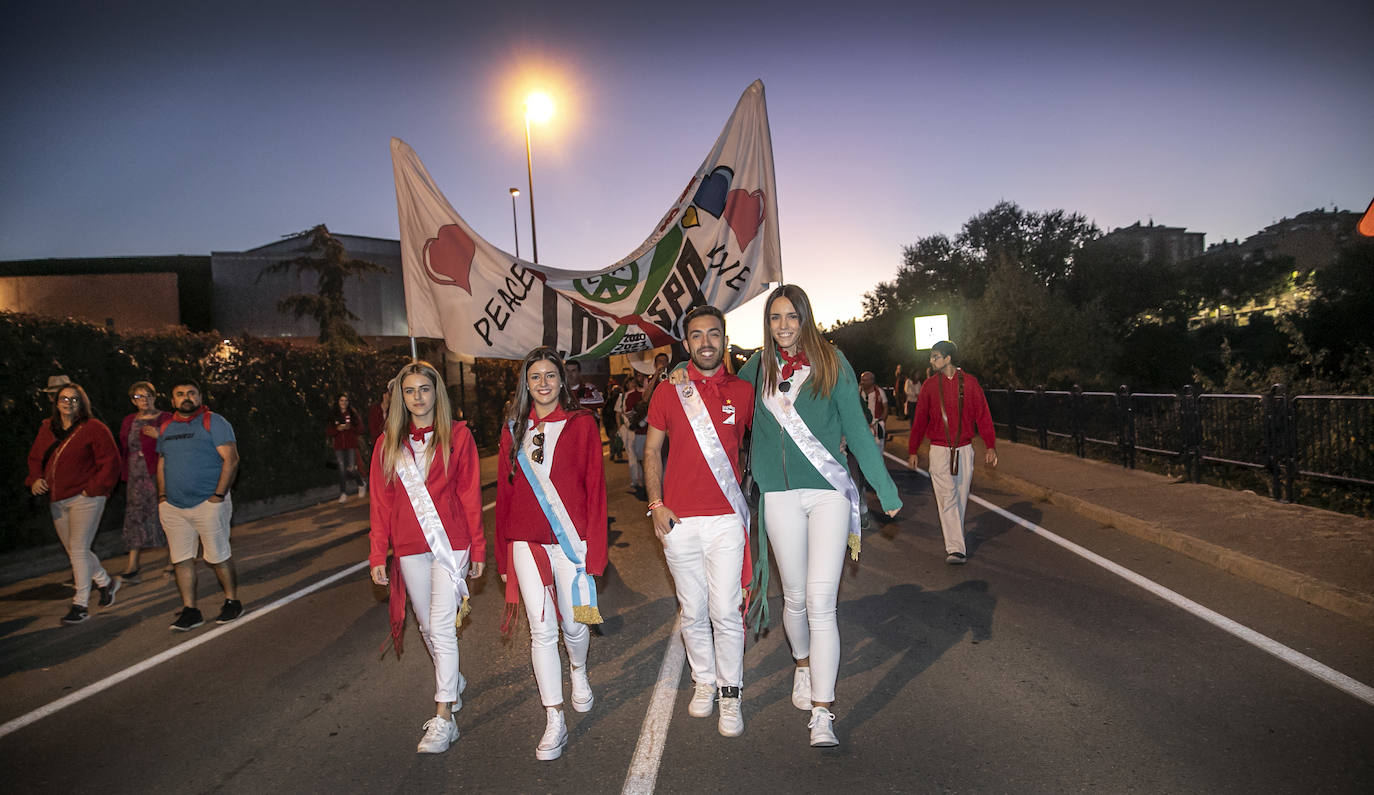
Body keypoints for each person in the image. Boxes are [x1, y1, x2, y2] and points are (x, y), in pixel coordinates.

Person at [735, 285, 901, 748]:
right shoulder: (757, 366)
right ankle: (803, 666)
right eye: (775, 318)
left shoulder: (832, 363)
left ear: (806, 318)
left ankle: (824, 711)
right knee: (795, 599)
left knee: (822, 600)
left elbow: (857, 429)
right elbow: (722, 403)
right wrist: (684, 377)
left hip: (828, 493)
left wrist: (882, 487)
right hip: (780, 497)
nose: (783, 326)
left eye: (791, 316)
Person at [644, 306, 753, 738]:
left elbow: (754, 448)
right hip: (679, 521)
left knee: (725, 609)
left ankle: (730, 691)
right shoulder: (669, 391)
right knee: (692, 611)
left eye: (713, 334)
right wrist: (656, 504)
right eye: (696, 336)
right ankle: (704, 681)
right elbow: (651, 451)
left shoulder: (744, 392)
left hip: (726, 518)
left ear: (724, 340)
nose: (705, 342)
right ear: (686, 343)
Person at [495, 347, 608, 761]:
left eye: (550, 376)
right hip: (525, 541)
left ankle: (579, 669)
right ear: (526, 383)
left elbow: (595, 490)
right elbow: (505, 494)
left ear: (563, 380)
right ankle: (554, 717)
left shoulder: (582, 424)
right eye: (535, 377)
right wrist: (501, 555)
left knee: (577, 624)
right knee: (541, 630)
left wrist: (596, 553)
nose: (542, 383)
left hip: (572, 543)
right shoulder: (513, 428)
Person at [368, 361, 485, 755]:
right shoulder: (387, 444)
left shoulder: (459, 436)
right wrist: (376, 551)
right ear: (401, 397)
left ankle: (444, 718)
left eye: (424, 389)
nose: (417, 397)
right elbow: (380, 503)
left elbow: (470, 494)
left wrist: (479, 547)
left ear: (437, 393)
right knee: (425, 627)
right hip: (407, 546)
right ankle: (453, 681)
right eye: (410, 390)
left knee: (440, 628)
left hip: (450, 542)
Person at [26, 382, 122, 624]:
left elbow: (111, 462)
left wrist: (93, 489)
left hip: (86, 497)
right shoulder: (47, 427)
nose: (68, 403)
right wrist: (35, 478)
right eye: (63, 399)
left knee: (78, 549)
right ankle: (105, 582)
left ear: (82, 403)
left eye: (74, 399)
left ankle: (80, 604)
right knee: (75, 550)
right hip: (57, 500)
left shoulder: (94, 428)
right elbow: (36, 457)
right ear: (56, 402)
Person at [157, 380, 242, 631]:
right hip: (173, 507)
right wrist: (162, 496)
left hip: (208, 503)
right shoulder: (166, 428)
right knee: (181, 559)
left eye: (191, 393)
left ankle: (232, 601)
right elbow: (162, 462)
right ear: (172, 401)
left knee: (218, 556)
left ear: (200, 397)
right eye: (180, 394)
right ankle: (190, 610)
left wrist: (218, 495)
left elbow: (232, 459)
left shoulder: (214, 422)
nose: (186, 397)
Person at [907, 341, 997, 565]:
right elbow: (920, 420)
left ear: (948, 358)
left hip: (964, 449)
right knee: (947, 496)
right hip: (938, 450)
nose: (931, 360)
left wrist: (990, 445)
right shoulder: (929, 386)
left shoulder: (970, 383)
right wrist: (913, 449)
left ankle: (956, 540)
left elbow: (983, 415)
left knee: (959, 496)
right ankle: (956, 548)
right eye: (931, 356)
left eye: (935, 356)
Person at [116, 381, 170, 582]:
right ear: (133, 400)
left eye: (147, 396)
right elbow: (124, 446)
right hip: (135, 475)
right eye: (139, 397)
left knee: (162, 514)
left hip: (157, 473)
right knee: (135, 516)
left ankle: (173, 559)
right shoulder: (129, 420)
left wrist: (160, 436)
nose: (144, 400)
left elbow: (175, 442)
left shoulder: (165, 418)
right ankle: (132, 563)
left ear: (155, 397)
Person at [326, 393, 367, 503]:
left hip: (351, 445)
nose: (344, 403)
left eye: (346, 401)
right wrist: (337, 429)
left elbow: (361, 429)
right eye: (341, 401)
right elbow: (329, 431)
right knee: (341, 468)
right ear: (338, 402)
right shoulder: (333, 415)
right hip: (339, 446)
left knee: (351, 468)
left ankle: (361, 483)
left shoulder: (353, 414)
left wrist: (351, 428)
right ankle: (343, 493)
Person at [622, 371, 650, 497]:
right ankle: (645, 486)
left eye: (645, 375)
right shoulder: (630, 395)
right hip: (640, 434)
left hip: (657, 433)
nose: (642, 378)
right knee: (642, 462)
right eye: (639, 375)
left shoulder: (657, 391)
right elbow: (629, 416)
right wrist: (642, 422)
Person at [858, 371, 888, 448]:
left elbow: (885, 408)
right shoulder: (858, 391)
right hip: (862, 426)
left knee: (878, 449)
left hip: (876, 425)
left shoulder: (879, 392)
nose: (861, 382)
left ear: (871, 381)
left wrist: (882, 423)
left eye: (864, 380)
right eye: (861, 380)